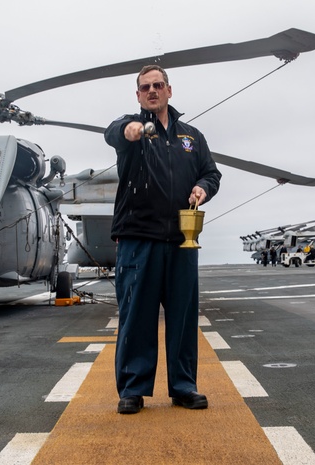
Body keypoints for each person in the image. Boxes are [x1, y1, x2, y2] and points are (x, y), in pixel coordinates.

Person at [105, 64, 221, 415]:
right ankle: (133, 389)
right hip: (139, 237)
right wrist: (130, 130)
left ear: (170, 90)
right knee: (136, 314)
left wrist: (204, 187)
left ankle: (183, 386)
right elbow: (113, 132)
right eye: (145, 87)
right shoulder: (134, 129)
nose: (152, 91)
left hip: (182, 239)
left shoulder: (192, 137)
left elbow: (211, 172)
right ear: (138, 95)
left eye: (158, 85)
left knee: (184, 317)